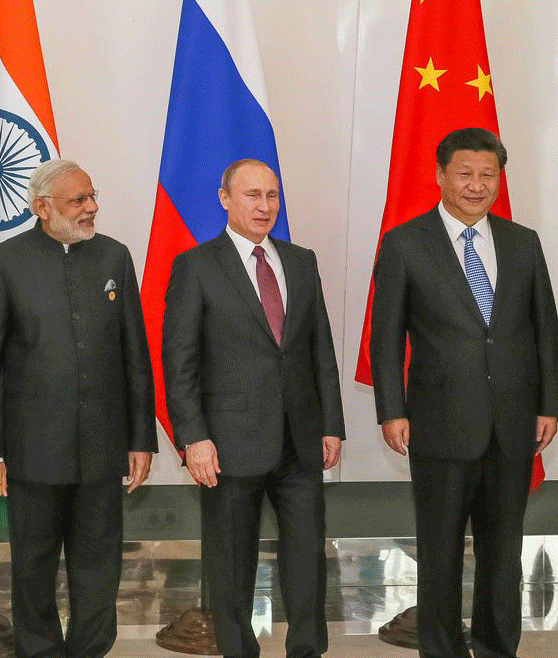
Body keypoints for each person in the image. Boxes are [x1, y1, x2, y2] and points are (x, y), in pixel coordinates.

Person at [369, 127, 558, 658]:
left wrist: (551, 404)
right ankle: (441, 648)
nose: (477, 185)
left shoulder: (523, 242)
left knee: (505, 553)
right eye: (465, 173)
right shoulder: (406, 243)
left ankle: (497, 646)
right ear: (440, 176)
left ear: (499, 179)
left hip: (513, 423)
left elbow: (544, 328)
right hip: (438, 422)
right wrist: (391, 409)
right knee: (440, 552)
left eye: (488, 174)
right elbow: (384, 337)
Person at [0, 159, 157, 658]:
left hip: (102, 448)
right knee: (33, 566)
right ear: (42, 208)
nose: (92, 208)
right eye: (79, 201)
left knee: (100, 567)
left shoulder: (114, 257)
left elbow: (135, 356)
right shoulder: (3, 262)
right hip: (31, 452)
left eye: (93, 197)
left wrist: (141, 439)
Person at [162, 158, 345, 658]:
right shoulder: (196, 266)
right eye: (252, 195)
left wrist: (331, 423)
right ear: (225, 198)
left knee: (307, 559)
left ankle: (306, 650)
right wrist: (192, 437)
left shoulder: (301, 261)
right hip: (226, 444)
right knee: (231, 564)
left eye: (272, 195)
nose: (264, 206)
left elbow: (320, 350)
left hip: (301, 440)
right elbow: (179, 364)